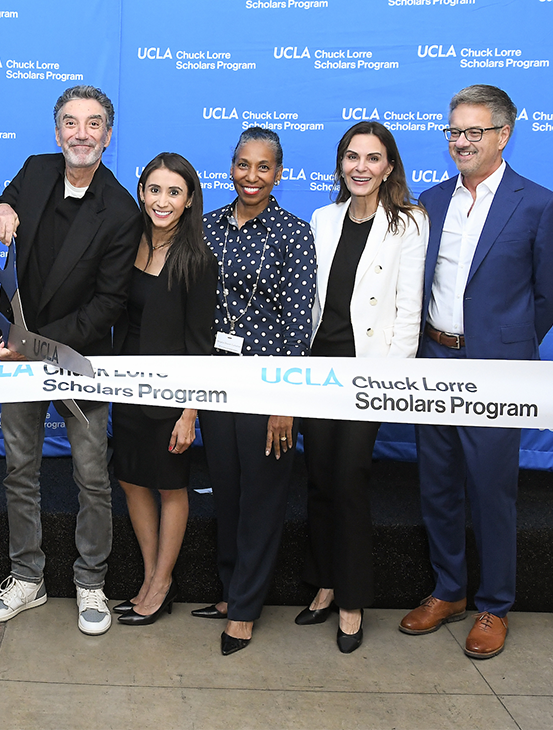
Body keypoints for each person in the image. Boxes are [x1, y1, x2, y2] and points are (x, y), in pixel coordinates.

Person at [400, 85, 553, 659]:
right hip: (434, 359)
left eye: (474, 132)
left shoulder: (540, 204)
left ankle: (494, 604)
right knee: (438, 483)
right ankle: (448, 590)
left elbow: (552, 291)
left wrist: (508, 347)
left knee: (492, 490)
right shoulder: (431, 199)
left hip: (497, 370)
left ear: (504, 135)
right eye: (454, 131)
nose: (461, 142)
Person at [0, 85, 141, 636]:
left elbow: (108, 305)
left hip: (81, 360)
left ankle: (91, 582)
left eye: (94, 124)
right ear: (57, 131)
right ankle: (28, 577)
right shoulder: (36, 170)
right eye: (71, 123)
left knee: (92, 476)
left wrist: (34, 343)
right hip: (18, 358)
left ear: (108, 136)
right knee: (20, 469)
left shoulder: (120, 210)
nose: (81, 133)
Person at [295, 121, 427, 653]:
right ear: (340, 163)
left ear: (389, 167)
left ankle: (352, 601)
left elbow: (408, 309)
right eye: (352, 157)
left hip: (366, 373)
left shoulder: (409, 223)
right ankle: (325, 581)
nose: (361, 167)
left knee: (349, 479)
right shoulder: (322, 218)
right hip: (316, 368)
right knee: (321, 477)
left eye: (373, 159)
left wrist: (387, 380)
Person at [195, 127, 316, 656]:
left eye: (263, 167)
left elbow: (297, 325)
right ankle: (229, 590)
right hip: (218, 384)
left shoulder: (294, 234)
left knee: (263, 499)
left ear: (279, 174)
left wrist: (283, 402)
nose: (251, 176)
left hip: (267, 387)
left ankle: (244, 610)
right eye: (243, 164)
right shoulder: (206, 226)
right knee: (228, 492)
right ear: (231, 167)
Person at [110, 153, 217, 627]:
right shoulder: (126, 241)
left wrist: (190, 412)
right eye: (155, 189)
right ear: (142, 191)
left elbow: (200, 347)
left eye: (174, 192)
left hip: (171, 398)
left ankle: (161, 583)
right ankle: (151, 576)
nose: (162, 200)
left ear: (189, 199)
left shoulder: (197, 259)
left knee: (171, 487)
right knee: (132, 480)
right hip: (126, 388)